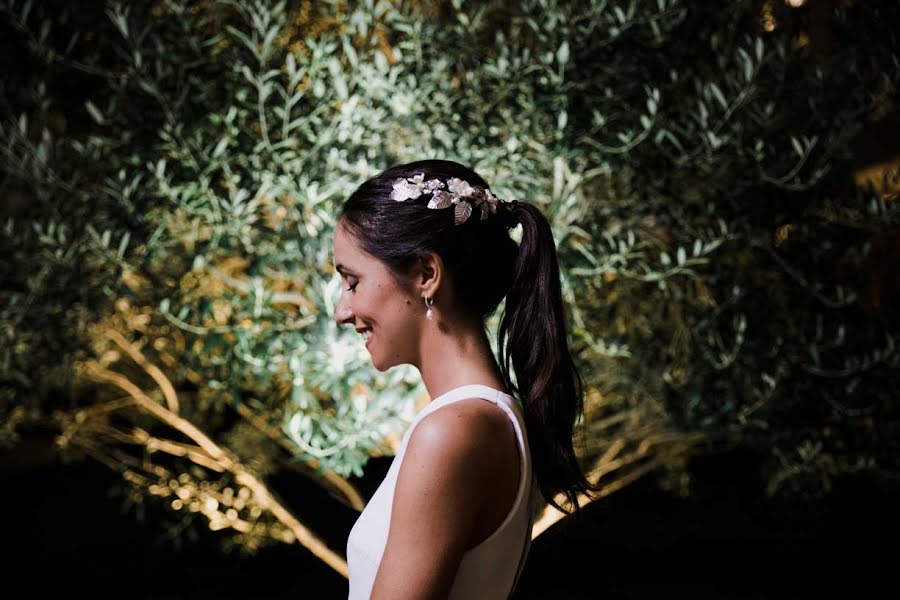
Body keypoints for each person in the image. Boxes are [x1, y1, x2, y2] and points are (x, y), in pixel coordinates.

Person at [333, 160, 597, 599]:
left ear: (425, 275)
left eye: (352, 281)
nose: (342, 311)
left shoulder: (453, 431)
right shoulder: (489, 417)